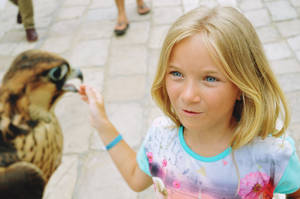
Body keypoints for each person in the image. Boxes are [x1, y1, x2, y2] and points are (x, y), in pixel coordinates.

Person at [79, 6, 300, 199]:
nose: (187, 95)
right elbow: (136, 180)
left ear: (242, 87)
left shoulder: (273, 152)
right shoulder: (160, 138)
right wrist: (102, 123)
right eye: (176, 73)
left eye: (210, 78)